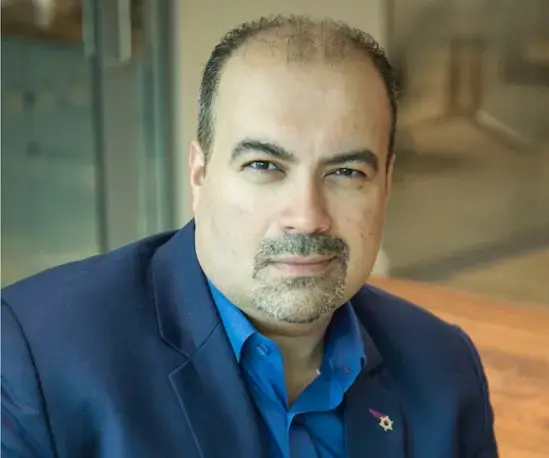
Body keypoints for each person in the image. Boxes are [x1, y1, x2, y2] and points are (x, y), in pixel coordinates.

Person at [1, 15, 498, 458]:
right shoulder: (35, 360)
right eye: (264, 165)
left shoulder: (443, 368)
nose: (307, 217)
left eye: (346, 173)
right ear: (200, 173)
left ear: (386, 184)